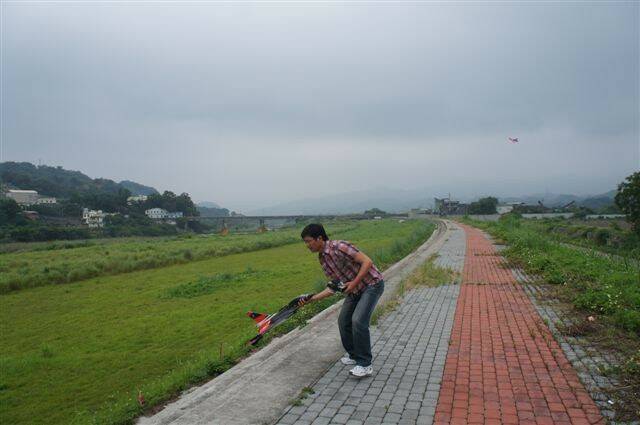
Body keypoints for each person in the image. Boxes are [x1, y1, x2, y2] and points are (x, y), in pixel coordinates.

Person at [298, 223, 384, 377]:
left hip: (372, 285)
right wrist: (312, 299)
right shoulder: (323, 259)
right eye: (305, 242)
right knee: (343, 321)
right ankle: (354, 355)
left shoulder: (339, 246)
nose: (307, 245)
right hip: (355, 290)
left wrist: (354, 283)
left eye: (309, 241)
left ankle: (365, 364)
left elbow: (367, 262)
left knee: (358, 321)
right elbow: (335, 286)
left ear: (319, 238)